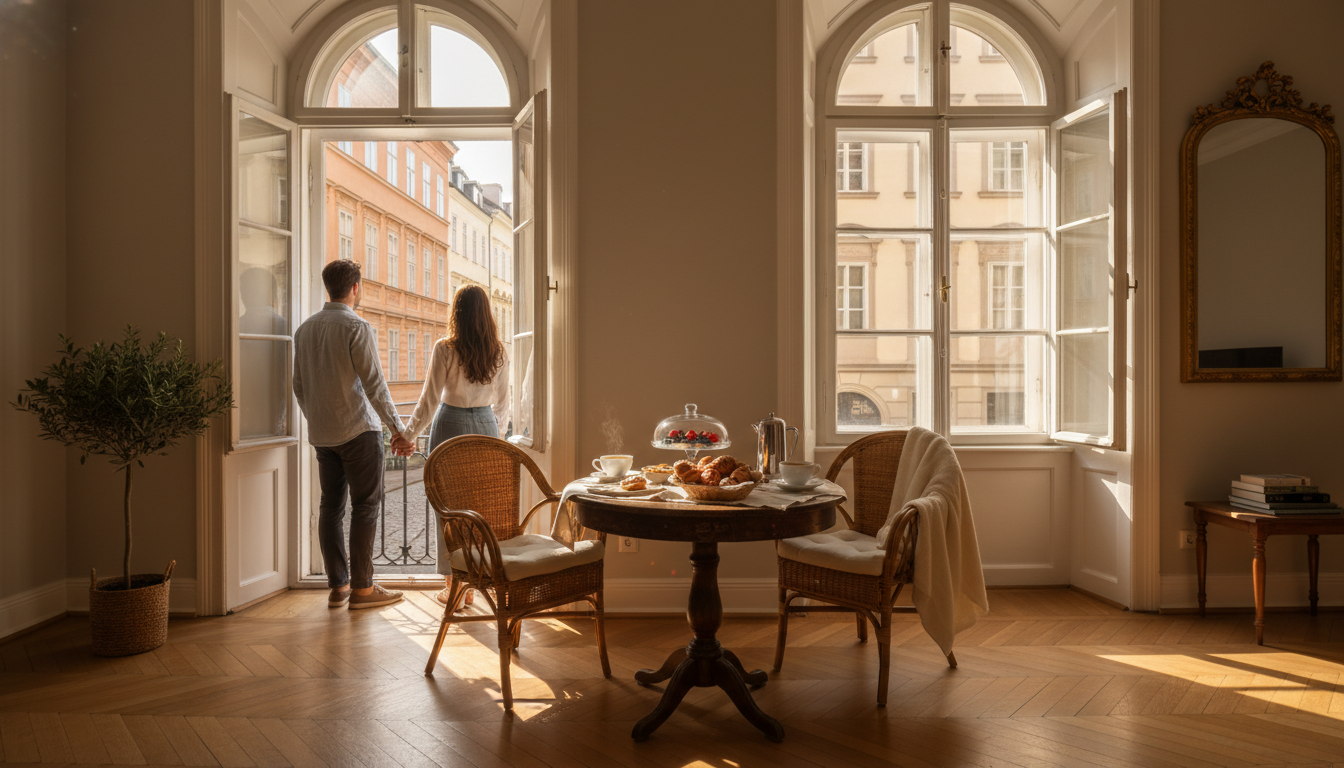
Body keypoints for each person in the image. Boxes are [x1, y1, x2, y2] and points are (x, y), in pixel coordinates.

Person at [293, 260, 406, 610]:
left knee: (330, 508)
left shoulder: (305, 329)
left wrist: (318, 419)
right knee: (365, 507)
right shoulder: (357, 326)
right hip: (359, 431)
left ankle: (338, 586)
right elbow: (374, 384)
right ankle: (363, 589)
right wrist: (398, 429)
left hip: (323, 435)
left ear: (328, 287)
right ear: (355, 288)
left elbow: (299, 386)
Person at [397, 284, 510, 607]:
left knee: (447, 508)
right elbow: (503, 407)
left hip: (450, 425)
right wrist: (495, 441)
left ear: (456, 314)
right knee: (478, 510)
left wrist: (408, 433)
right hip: (485, 427)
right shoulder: (499, 351)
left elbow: (429, 400)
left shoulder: (446, 348)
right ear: (487, 314)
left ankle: (454, 588)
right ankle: (472, 586)